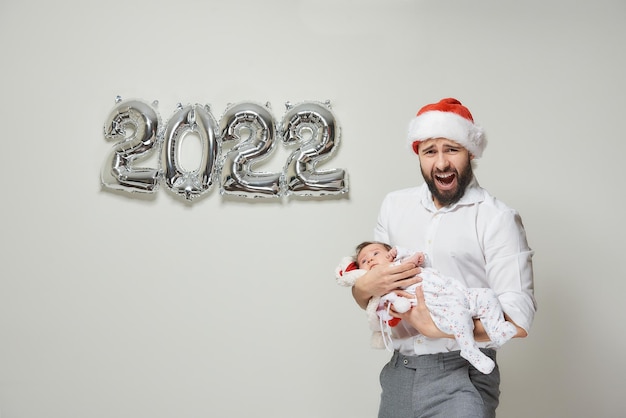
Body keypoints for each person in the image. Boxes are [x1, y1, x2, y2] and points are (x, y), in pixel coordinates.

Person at [350, 98, 536, 418]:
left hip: (463, 374)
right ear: (419, 155)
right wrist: (363, 286)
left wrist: (443, 329)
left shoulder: (496, 218)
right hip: (400, 373)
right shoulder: (394, 207)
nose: (441, 164)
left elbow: (519, 318)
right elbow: (370, 295)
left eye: (452, 149)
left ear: (470, 153)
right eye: (430, 151)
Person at [336, 241, 517, 374]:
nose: (370, 260)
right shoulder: (384, 286)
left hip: (457, 292)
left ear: (390, 253)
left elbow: (425, 262)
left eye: (375, 254)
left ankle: (497, 328)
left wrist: (414, 256)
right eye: (364, 261)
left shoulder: (405, 262)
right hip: (438, 307)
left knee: (487, 295)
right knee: (460, 316)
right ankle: (469, 349)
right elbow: (383, 305)